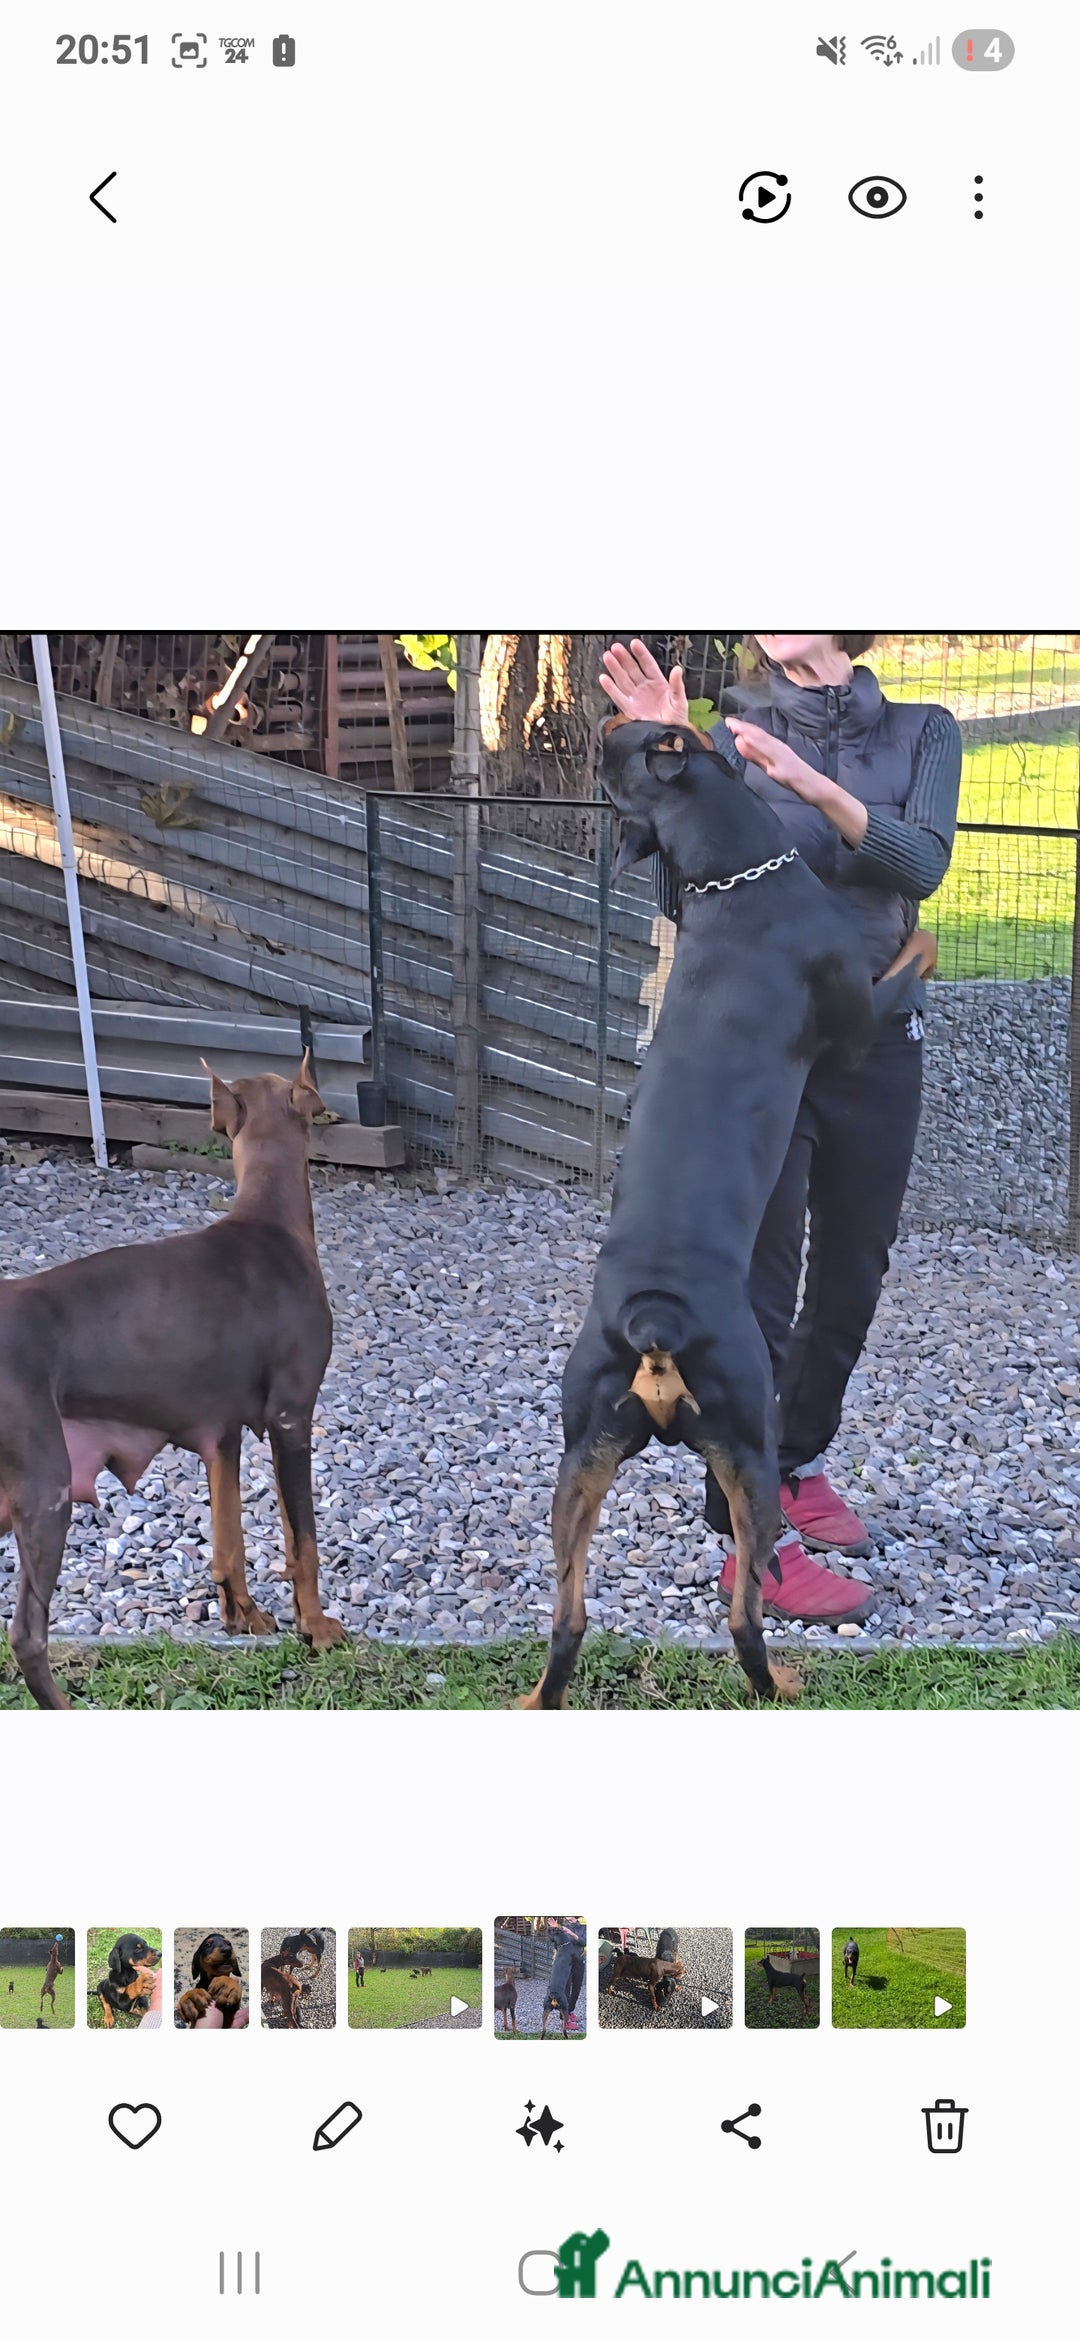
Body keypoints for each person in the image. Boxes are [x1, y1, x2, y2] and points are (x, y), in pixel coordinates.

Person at [599, 636, 961, 1626]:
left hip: (880, 1036)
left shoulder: (925, 734)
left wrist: (802, 779)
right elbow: (667, 867)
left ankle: (789, 1463)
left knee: (851, 1279)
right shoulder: (728, 735)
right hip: (757, 1052)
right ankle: (748, 1546)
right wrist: (663, 752)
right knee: (756, 1292)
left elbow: (920, 864)